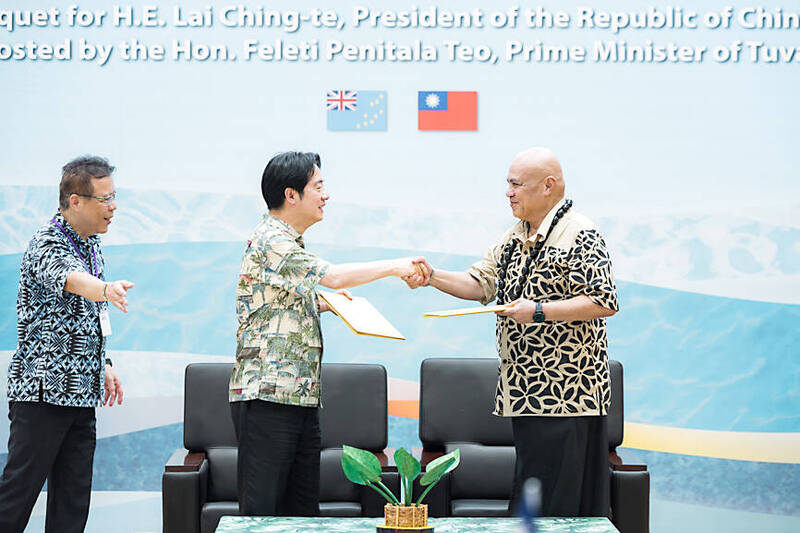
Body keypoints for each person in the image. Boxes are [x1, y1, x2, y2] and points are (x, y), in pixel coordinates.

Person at [409, 147, 618, 517]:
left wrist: (538, 312)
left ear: (548, 186)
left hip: (565, 394)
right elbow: (479, 283)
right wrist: (432, 277)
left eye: (516, 184)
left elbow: (604, 300)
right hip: (526, 392)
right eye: (508, 184)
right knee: (531, 498)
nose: (508, 192)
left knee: (555, 508)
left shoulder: (580, 232)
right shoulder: (516, 234)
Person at [230, 151, 426, 516]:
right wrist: (397, 266)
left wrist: (326, 304)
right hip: (269, 397)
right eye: (318, 187)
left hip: (300, 397)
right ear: (292, 195)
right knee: (263, 515)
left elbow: (277, 303)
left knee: (303, 512)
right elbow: (333, 276)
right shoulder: (273, 239)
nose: (326, 195)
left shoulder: (287, 242)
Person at [0, 156, 133, 533]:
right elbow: (72, 280)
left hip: (80, 394)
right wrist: (105, 289)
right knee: (17, 497)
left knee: (72, 504)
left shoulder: (91, 246)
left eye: (114, 196)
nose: (114, 206)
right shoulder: (47, 242)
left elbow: (87, 315)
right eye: (104, 199)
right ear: (76, 201)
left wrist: (103, 364)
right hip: (43, 394)